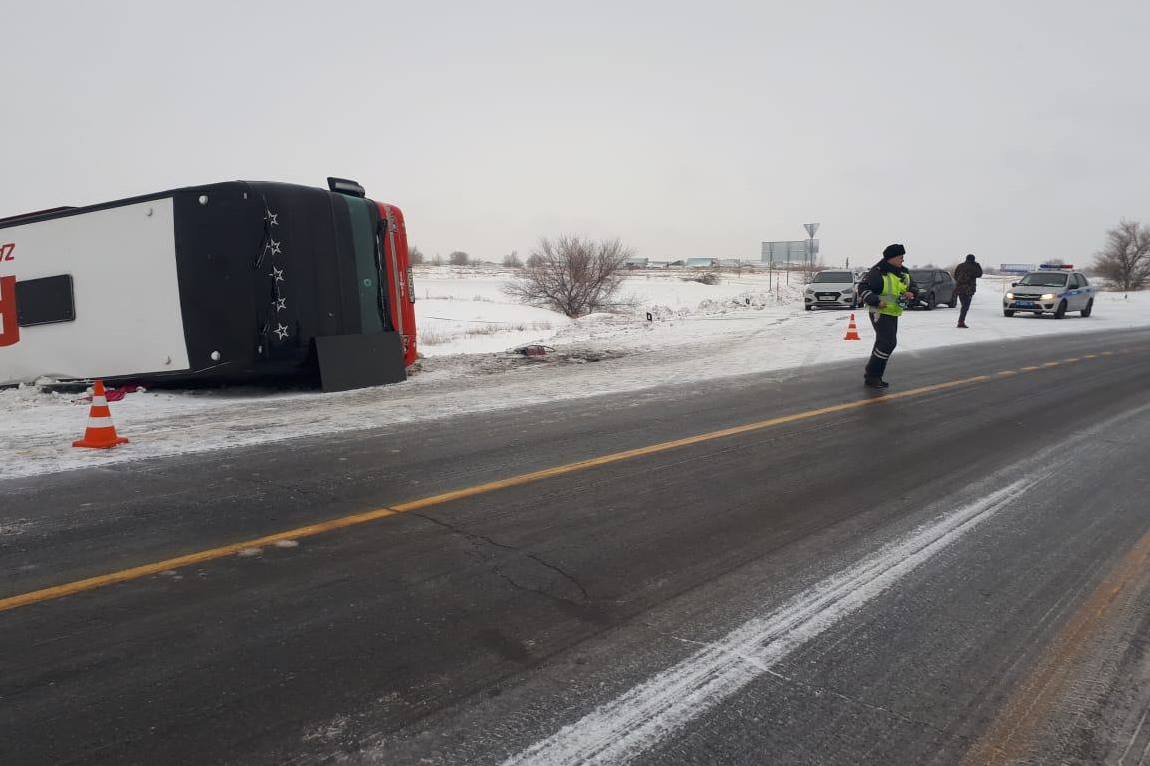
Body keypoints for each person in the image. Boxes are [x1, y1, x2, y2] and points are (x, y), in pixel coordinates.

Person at [858, 244, 918, 389]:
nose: (902, 260)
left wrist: (912, 293)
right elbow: (862, 288)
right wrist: (876, 301)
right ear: (891, 258)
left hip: (893, 312)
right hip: (878, 311)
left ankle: (873, 377)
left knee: (882, 342)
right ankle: (872, 374)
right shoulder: (878, 272)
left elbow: (913, 287)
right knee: (888, 343)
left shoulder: (904, 273)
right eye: (900, 257)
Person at [953, 253, 983, 328]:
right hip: (968, 290)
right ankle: (961, 322)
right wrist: (977, 265)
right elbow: (979, 274)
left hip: (959, 289)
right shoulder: (974, 266)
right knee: (965, 306)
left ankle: (961, 321)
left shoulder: (960, 266)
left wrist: (960, 283)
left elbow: (955, 276)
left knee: (964, 306)